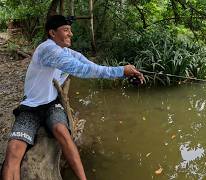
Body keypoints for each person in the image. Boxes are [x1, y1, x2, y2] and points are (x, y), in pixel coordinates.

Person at [1, 15, 144, 180]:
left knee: (62, 132)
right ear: (52, 33)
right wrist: (120, 70)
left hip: (52, 104)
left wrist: (124, 73)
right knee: (13, 150)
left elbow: (91, 66)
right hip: (30, 108)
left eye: (70, 30)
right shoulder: (47, 49)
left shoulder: (66, 52)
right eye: (66, 30)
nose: (71, 34)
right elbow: (81, 70)